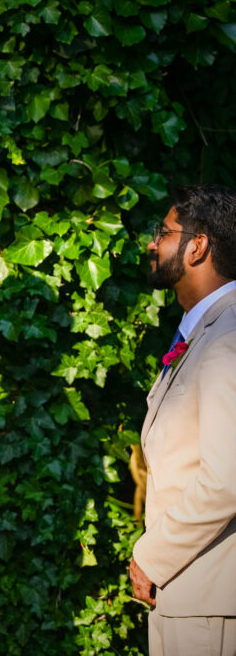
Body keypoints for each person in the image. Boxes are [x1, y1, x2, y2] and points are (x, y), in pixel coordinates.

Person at [129, 185, 236, 656]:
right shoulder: (206, 331)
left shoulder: (225, 338)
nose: (152, 244)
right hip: (192, 595)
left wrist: (152, 556)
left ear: (198, 245)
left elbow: (226, 479)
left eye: (164, 233)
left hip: (206, 601)